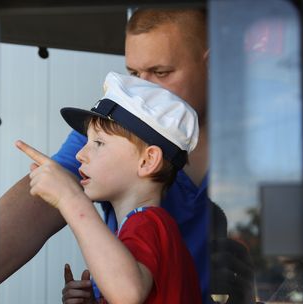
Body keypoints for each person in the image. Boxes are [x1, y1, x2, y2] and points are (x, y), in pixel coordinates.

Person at [0, 8, 254, 304]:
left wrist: (71, 198)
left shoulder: (264, 147)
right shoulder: (111, 131)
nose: (140, 88)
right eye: (133, 73)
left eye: (160, 72)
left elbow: (130, 292)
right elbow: (30, 212)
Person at [17, 71, 202, 303]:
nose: (80, 154)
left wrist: (70, 198)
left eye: (99, 143)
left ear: (147, 161)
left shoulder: (147, 223)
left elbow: (128, 294)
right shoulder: (143, 226)